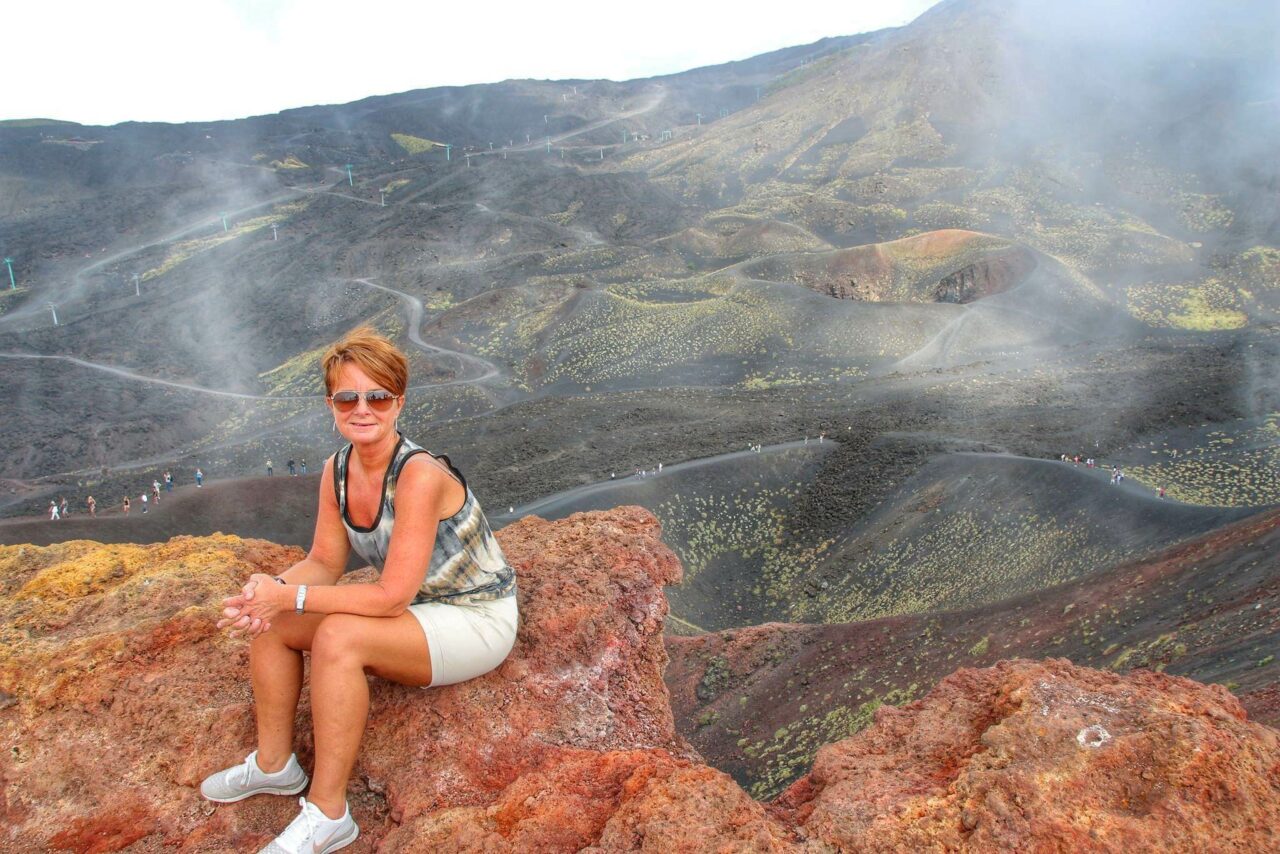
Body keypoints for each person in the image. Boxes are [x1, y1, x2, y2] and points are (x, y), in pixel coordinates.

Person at [203, 327, 518, 853]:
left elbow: (391, 595)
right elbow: (325, 561)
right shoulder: (337, 470)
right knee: (274, 620)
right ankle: (275, 764)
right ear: (330, 403)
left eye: (378, 396)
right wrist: (269, 592)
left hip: (475, 618)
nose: (362, 408)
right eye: (347, 397)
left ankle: (329, 814)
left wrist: (291, 596)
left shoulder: (419, 475)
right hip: (417, 611)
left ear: (399, 402)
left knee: (338, 638)